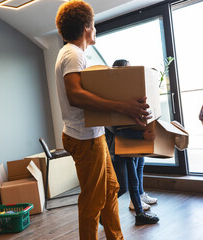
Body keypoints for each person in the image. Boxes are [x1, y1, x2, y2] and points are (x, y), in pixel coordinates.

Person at [55, 2, 151, 239]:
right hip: (85, 138)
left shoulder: (74, 54)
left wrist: (127, 114)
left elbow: (92, 104)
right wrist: (123, 107)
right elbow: (76, 95)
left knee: (111, 190)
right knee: (93, 198)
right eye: (94, 25)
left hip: (92, 135)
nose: (95, 29)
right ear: (87, 27)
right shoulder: (73, 53)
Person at [105, 59, 159, 226]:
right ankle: (102, 212)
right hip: (119, 147)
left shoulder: (129, 96)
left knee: (134, 180)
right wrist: (142, 135)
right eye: (127, 70)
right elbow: (117, 129)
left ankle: (140, 214)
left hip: (131, 144)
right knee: (121, 186)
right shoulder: (113, 99)